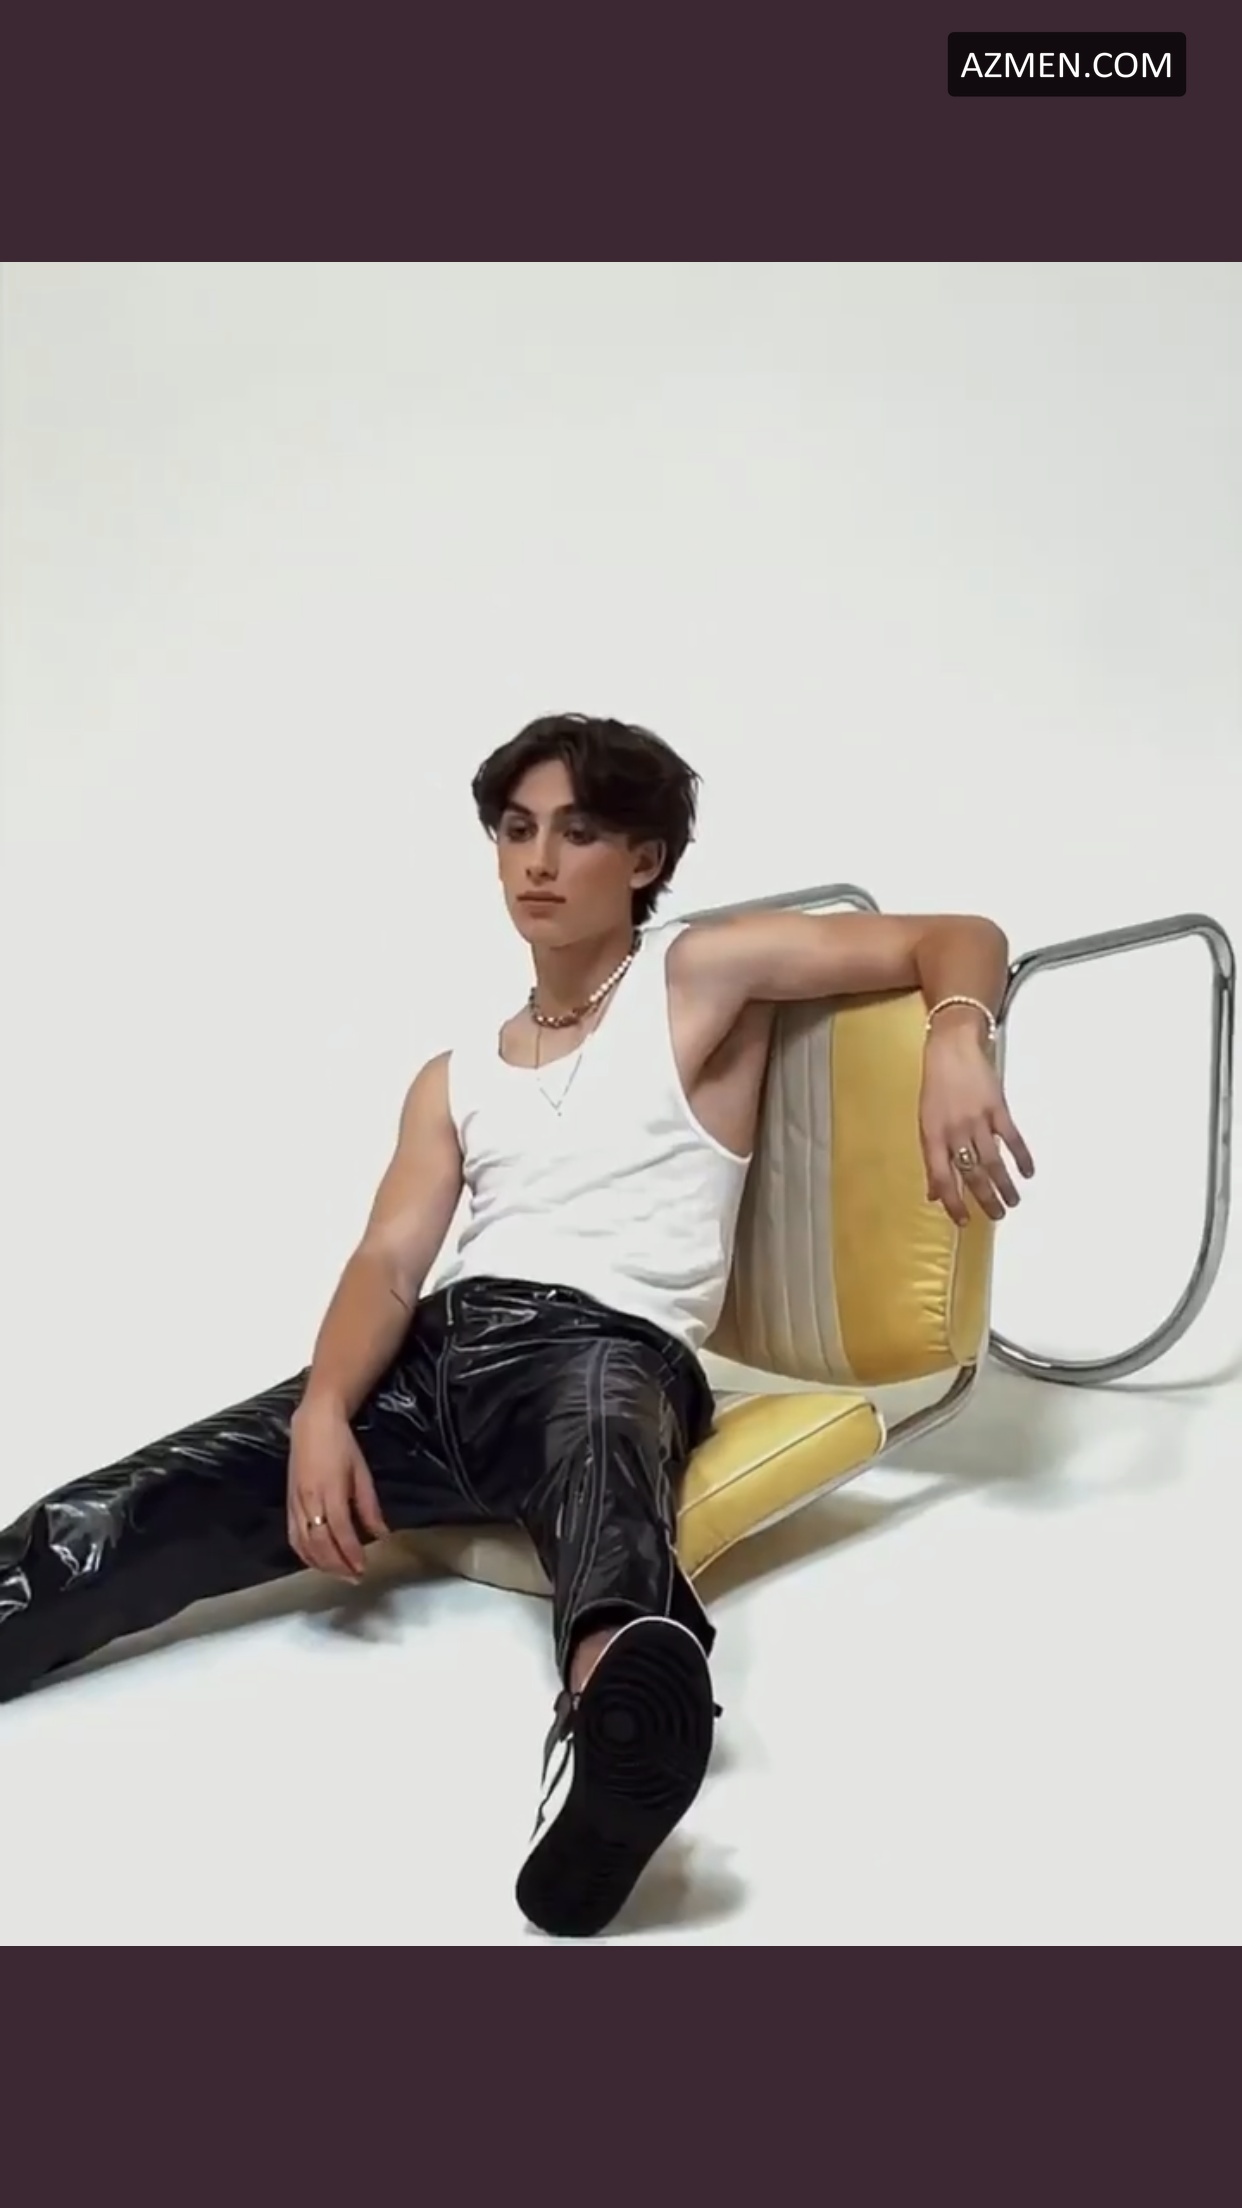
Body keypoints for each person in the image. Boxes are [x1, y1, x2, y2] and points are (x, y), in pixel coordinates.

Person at [0, 712, 1034, 1936]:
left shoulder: (696, 974)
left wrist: (957, 1036)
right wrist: (325, 1410)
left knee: (604, 1480)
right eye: (516, 830)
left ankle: (614, 1737)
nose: (538, 861)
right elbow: (388, 1263)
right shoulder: (457, 1074)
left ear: (644, 860)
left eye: (579, 833)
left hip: (606, 1346)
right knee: (140, 1500)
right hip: (434, 1358)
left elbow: (956, 935)